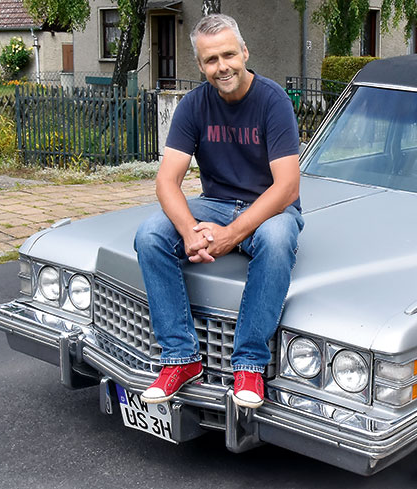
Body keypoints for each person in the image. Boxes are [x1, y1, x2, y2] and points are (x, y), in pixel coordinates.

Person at [134, 13, 302, 409]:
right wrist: (191, 229)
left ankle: (249, 364)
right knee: (150, 235)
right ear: (201, 65)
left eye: (229, 54)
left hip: (271, 208)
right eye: (211, 60)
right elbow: (166, 181)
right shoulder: (194, 105)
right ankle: (181, 357)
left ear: (244, 52)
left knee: (277, 240)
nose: (221, 66)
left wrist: (233, 234)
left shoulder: (272, 100)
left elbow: (287, 186)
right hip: (215, 204)